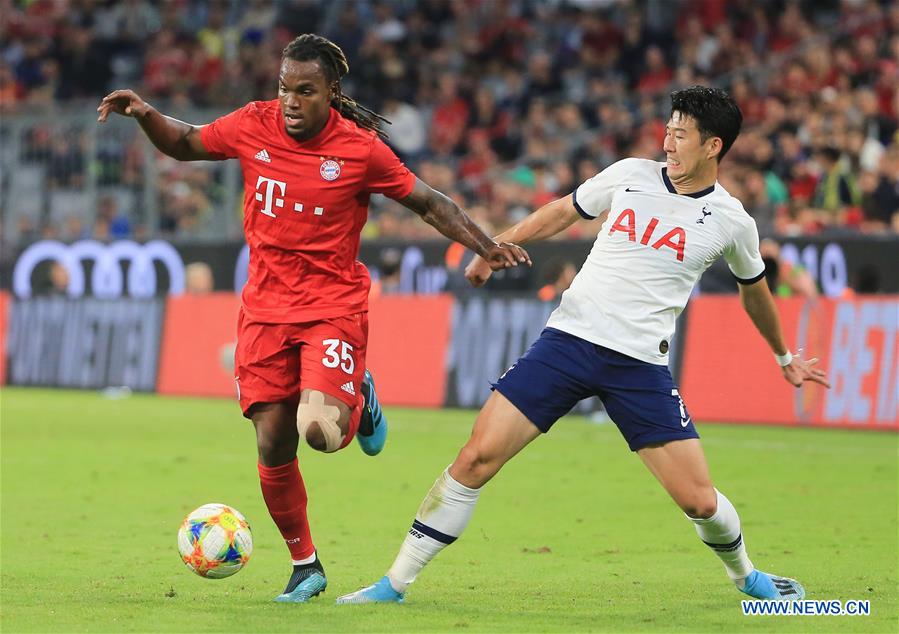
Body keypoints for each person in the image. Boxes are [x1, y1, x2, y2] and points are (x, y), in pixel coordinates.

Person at [337, 86, 830, 606]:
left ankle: (750, 580)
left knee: (700, 501)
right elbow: (562, 212)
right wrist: (494, 245)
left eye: (680, 134)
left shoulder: (732, 220)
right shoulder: (630, 175)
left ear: (713, 146)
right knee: (476, 457)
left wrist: (783, 357)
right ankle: (393, 585)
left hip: (640, 366)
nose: (667, 141)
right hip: (568, 342)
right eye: (667, 129)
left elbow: (755, 294)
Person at [97, 33, 529, 604]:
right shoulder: (254, 124)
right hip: (264, 312)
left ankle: (361, 395)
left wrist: (486, 244)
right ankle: (307, 567)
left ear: (331, 93)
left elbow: (430, 202)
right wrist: (147, 114)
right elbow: (186, 143)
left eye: (305, 91)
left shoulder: (360, 150)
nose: (291, 101)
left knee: (321, 433)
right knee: (273, 442)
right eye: (284, 89)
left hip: (331, 307)